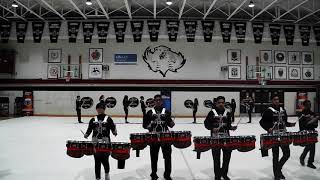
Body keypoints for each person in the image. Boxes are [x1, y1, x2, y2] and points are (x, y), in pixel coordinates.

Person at [259, 95, 296, 180]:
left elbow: (285, 122)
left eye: (278, 99)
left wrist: (290, 124)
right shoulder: (269, 111)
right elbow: (262, 122)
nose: (277, 101)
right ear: (272, 101)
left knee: (287, 154)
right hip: (274, 136)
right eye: (275, 99)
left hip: (283, 135)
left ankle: (278, 169)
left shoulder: (283, 110)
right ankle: (276, 175)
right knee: (275, 156)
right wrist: (268, 128)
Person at [143, 94, 175, 180]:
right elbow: (144, 125)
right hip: (153, 138)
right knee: (154, 157)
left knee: (167, 157)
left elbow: (170, 124)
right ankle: (153, 174)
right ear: (154, 101)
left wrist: (172, 123)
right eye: (156, 100)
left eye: (159, 100)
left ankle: (167, 175)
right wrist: (149, 125)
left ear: (162, 101)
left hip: (166, 138)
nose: (158, 101)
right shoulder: (149, 112)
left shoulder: (167, 112)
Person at [204, 96, 237, 180]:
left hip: (226, 138)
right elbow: (206, 124)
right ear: (216, 103)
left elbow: (228, 125)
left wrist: (232, 128)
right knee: (216, 159)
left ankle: (224, 174)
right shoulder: (212, 113)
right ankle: (217, 176)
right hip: (215, 139)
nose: (221, 104)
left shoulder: (227, 113)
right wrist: (212, 128)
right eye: (219, 102)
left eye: (222, 102)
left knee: (227, 158)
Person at [84, 102, 117, 180]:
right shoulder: (93, 119)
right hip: (95, 142)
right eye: (98, 108)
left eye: (101, 108)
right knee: (97, 161)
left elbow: (113, 129)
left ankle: (106, 173)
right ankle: (98, 177)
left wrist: (114, 132)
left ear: (104, 109)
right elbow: (89, 129)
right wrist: (86, 134)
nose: (99, 110)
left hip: (106, 142)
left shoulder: (108, 119)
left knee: (105, 160)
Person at [299, 100, 319, 169]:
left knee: (312, 147)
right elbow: (302, 124)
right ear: (304, 106)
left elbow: (316, 124)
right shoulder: (302, 114)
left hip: (312, 131)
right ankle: (302, 157)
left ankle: (310, 162)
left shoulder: (313, 113)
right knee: (309, 146)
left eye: (309, 104)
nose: (309, 106)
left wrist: (312, 122)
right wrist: (310, 122)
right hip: (305, 132)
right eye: (307, 105)